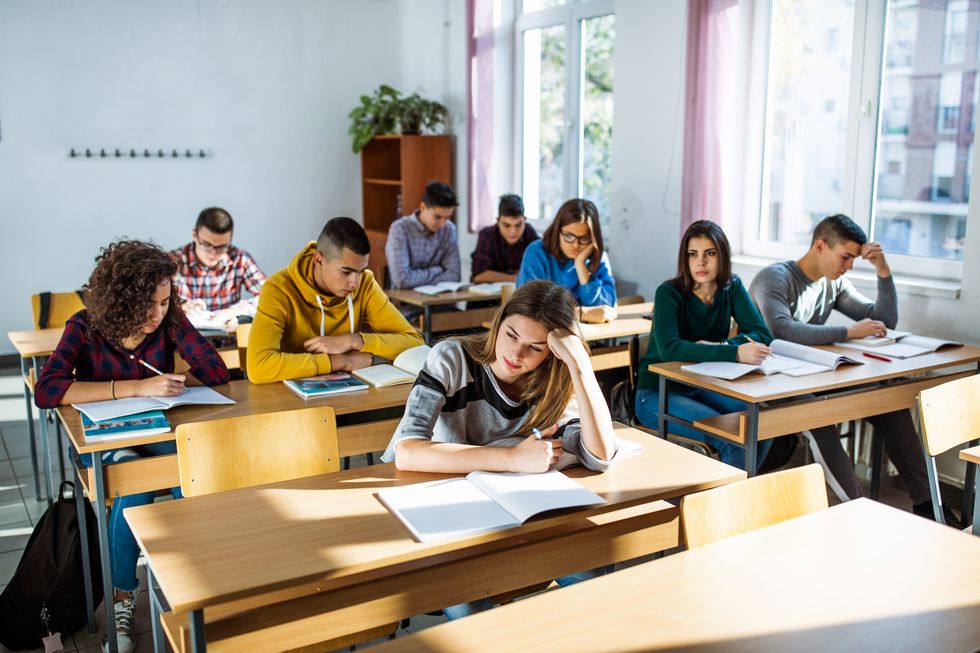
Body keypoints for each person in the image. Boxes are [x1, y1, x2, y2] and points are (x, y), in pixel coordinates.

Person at [34, 240, 230, 653]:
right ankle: (123, 598)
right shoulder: (84, 326)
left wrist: (178, 383)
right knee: (135, 486)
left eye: (165, 302)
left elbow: (215, 370)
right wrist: (134, 387)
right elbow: (47, 389)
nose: (159, 314)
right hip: (105, 442)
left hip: (156, 433)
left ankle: (194, 586)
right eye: (150, 305)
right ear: (123, 299)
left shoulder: (169, 321)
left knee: (189, 476)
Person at [381, 279, 618, 619]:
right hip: (449, 521)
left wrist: (579, 364)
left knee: (593, 575)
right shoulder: (451, 358)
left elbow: (601, 457)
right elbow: (407, 450)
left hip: (521, 519)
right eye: (511, 335)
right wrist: (513, 458)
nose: (516, 354)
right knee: (471, 611)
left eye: (535, 348)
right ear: (499, 321)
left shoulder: (556, 381)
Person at [748, 214, 938, 519]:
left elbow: (884, 321)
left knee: (890, 404)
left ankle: (928, 506)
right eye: (845, 257)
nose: (848, 265)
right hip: (769, 378)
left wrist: (883, 271)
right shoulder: (774, 278)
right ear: (820, 246)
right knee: (820, 418)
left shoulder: (833, 285)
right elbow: (781, 330)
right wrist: (849, 332)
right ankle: (857, 512)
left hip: (814, 374)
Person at [634, 220, 774, 471]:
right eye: (693, 254)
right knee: (731, 440)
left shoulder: (732, 286)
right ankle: (732, 505)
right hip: (658, 393)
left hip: (703, 386)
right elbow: (670, 349)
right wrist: (734, 352)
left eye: (710, 253)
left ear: (722, 256)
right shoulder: (669, 292)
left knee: (762, 426)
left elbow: (762, 333)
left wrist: (722, 345)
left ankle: (744, 496)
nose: (701, 262)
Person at [247, 217, 424, 383]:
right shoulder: (278, 289)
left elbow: (414, 342)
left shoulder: (366, 285)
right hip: (293, 401)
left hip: (350, 395)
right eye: (346, 271)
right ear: (319, 260)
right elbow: (258, 367)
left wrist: (354, 341)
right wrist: (339, 361)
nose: (354, 282)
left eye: (360, 271)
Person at [516, 198, 617, 323]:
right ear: (557, 231)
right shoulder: (537, 252)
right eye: (569, 236)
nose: (575, 245)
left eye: (584, 238)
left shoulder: (598, 256)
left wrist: (581, 267)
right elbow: (529, 307)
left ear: (593, 238)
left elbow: (607, 309)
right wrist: (580, 313)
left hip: (590, 337)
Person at [385, 181, 461, 289]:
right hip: (405, 303)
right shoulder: (400, 229)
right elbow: (402, 280)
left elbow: (454, 275)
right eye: (438, 217)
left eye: (447, 217)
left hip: (441, 302)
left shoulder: (450, 229)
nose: (443, 224)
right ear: (423, 207)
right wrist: (438, 269)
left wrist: (416, 277)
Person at [470, 193, 539, 283]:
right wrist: (518, 278)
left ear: (524, 220)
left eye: (518, 225)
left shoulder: (529, 232)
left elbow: (539, 270)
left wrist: (496, 275)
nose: (513, 231)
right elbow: (479, 275)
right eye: (507, 225)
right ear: (498, 221)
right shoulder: (487, 235)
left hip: (523, 293)